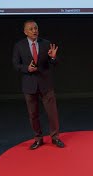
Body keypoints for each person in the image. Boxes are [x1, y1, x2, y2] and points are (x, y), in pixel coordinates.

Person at [12, 20, 65, 150]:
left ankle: (55, 137)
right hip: (29, 85)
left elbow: (55, 63)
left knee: (52, 112)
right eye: (30, 29)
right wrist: (26, 68)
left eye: (35, 28)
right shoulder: (19, 46)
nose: (34, 30)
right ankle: (38, 138)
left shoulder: (46, 44)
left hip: (45, 84)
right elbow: (16, 65)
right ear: (25, 32)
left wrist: (53, 58)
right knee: (33, 114)